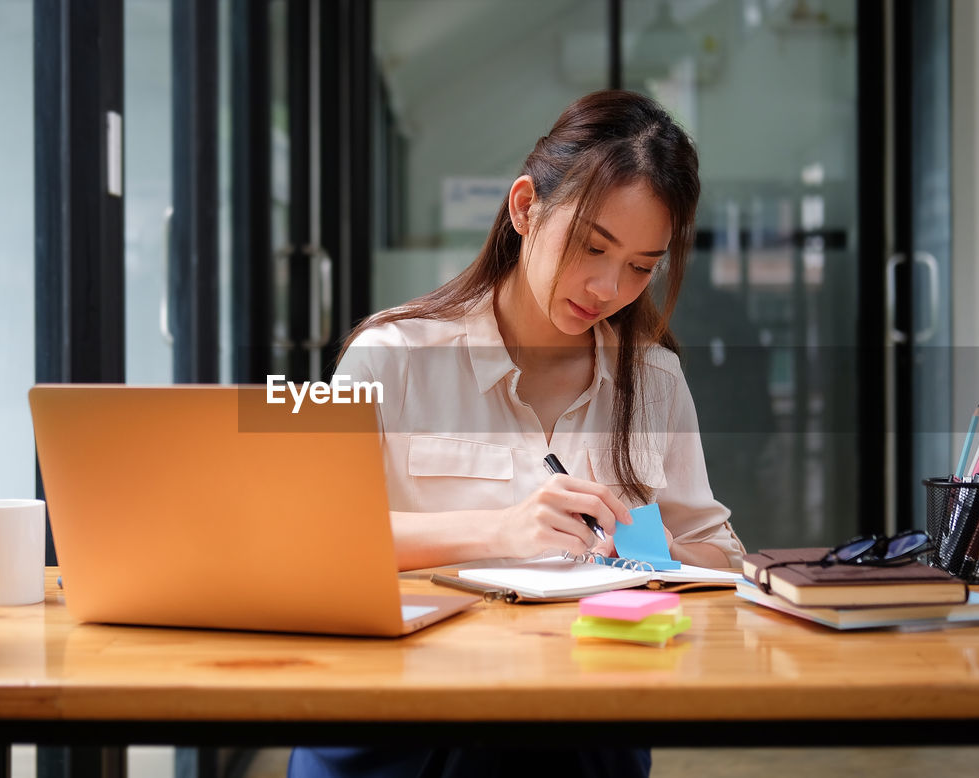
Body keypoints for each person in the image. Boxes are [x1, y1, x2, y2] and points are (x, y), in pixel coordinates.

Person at [289, 89, 744, 778]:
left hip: (583, 722)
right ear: (525, 207)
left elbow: (724, 556)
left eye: (641, 266)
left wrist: (654, 549)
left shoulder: (652, 381)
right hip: (396, 722)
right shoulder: (393, 354)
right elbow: (313, 541)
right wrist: (501, 531)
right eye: (592, 245)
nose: (607, 286)